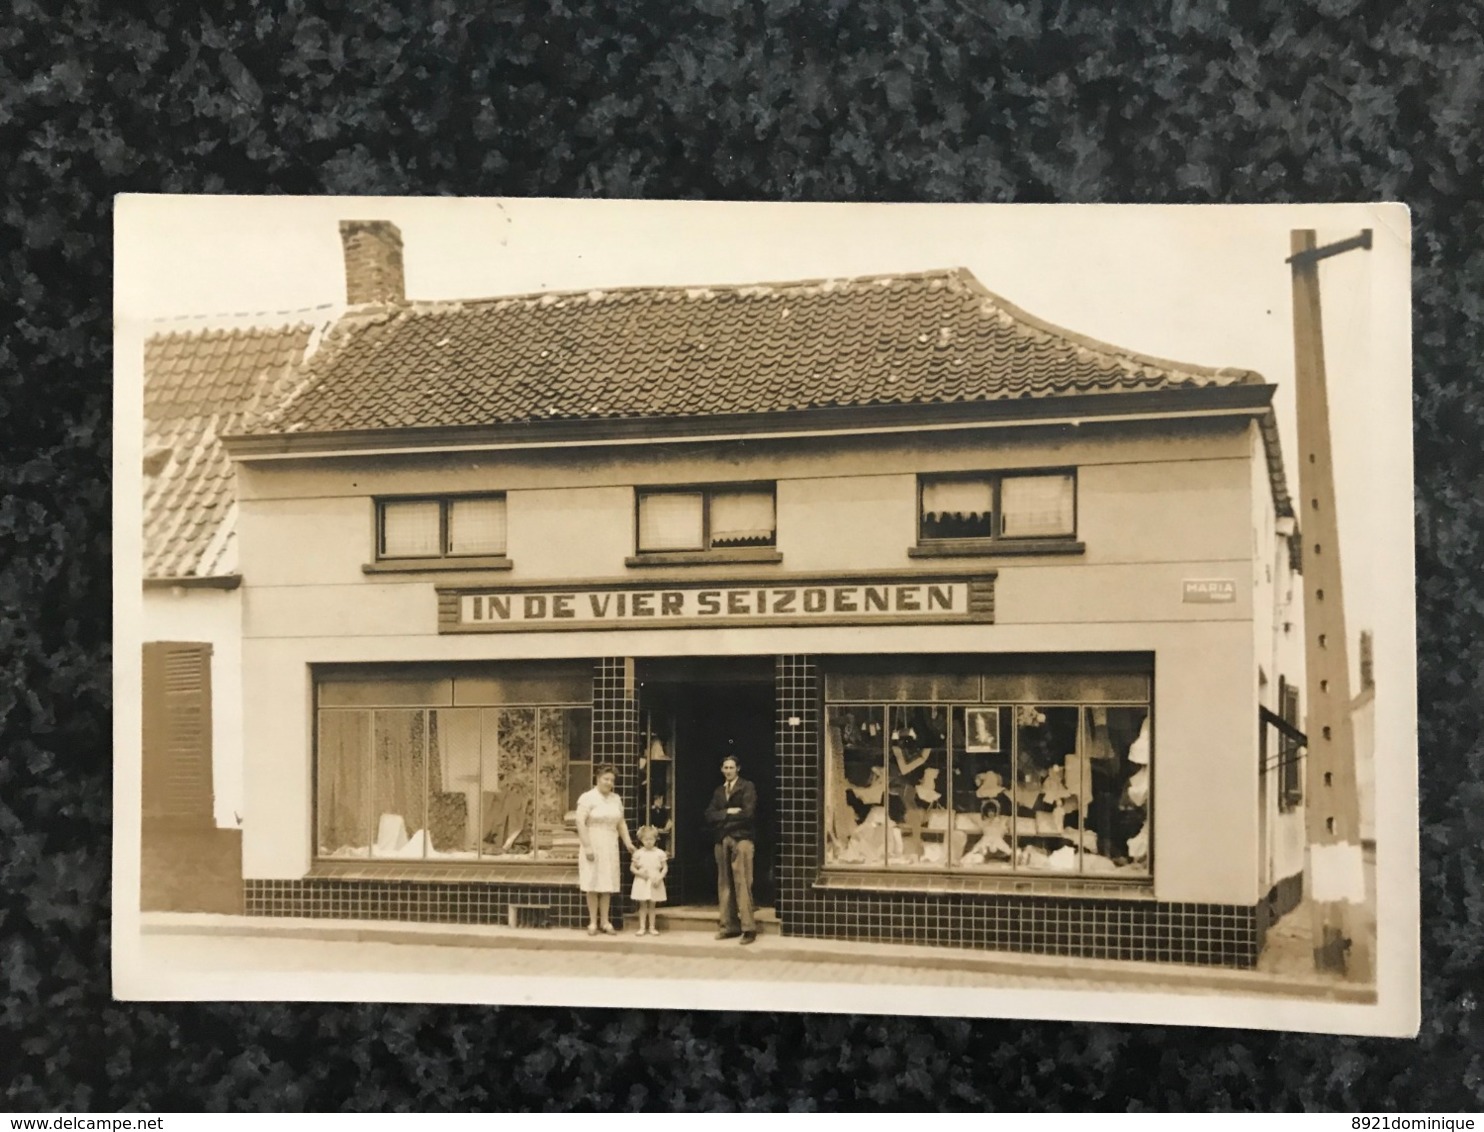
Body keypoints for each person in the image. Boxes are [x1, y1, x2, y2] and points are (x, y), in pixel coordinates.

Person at [575, 764, 635, 936]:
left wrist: (628, 843)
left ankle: (605, 921)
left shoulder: (616, 799)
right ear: (597, 778)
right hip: (593, 841)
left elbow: (621, 823)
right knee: (593, 883)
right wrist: (587, 846)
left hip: (610, 843)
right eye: (606, 779)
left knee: (606, 883)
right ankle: (593, 922)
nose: (609, 783)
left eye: (612, 780)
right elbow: (580, 822)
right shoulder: (587, 798)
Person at [705, 755, 758, 944]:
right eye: (725, 767)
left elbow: (748, 814)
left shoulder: (747, 787)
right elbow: (709, 815)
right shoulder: (719, 791)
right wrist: (728, 812)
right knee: (724, 884)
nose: (728, 770)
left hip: (741, 839)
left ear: (738, 769)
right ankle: (728, 926)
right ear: (721, 769)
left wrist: (723, 821)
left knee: (742, 882)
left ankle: (748, 928)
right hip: (722, 840)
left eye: (731, 767)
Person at [629, 824, 669, 936]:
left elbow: (665, 867)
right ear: (641, 840)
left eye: (651, 839)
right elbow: (632, 867)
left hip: (654, 880)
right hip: (642, 881)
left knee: (652, 905)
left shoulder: (659, 853)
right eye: (646, 839)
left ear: (655, 839)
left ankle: (652, 927)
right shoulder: (638, 853)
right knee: (642, 905)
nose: (648, 842)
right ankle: (642, 927)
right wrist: (639, 873)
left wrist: (660, 877)